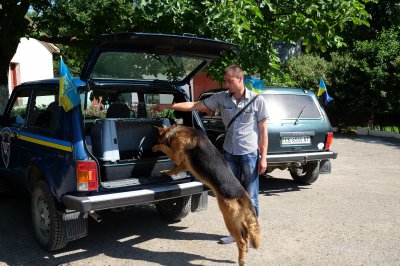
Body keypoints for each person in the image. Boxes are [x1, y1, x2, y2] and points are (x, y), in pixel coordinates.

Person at [155, 65, 268, 244]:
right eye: (225, 81)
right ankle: (235, 232)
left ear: (240, 79)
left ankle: (250, 231)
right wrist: (167, 106)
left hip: (249, 154)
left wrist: (264, 156)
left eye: (229, 81)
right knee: (227, 196)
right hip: (229, 153)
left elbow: (263, 130)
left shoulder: (257, 100)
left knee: (250, 195)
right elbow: (193, 105)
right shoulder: (222, 98)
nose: (226, 84)